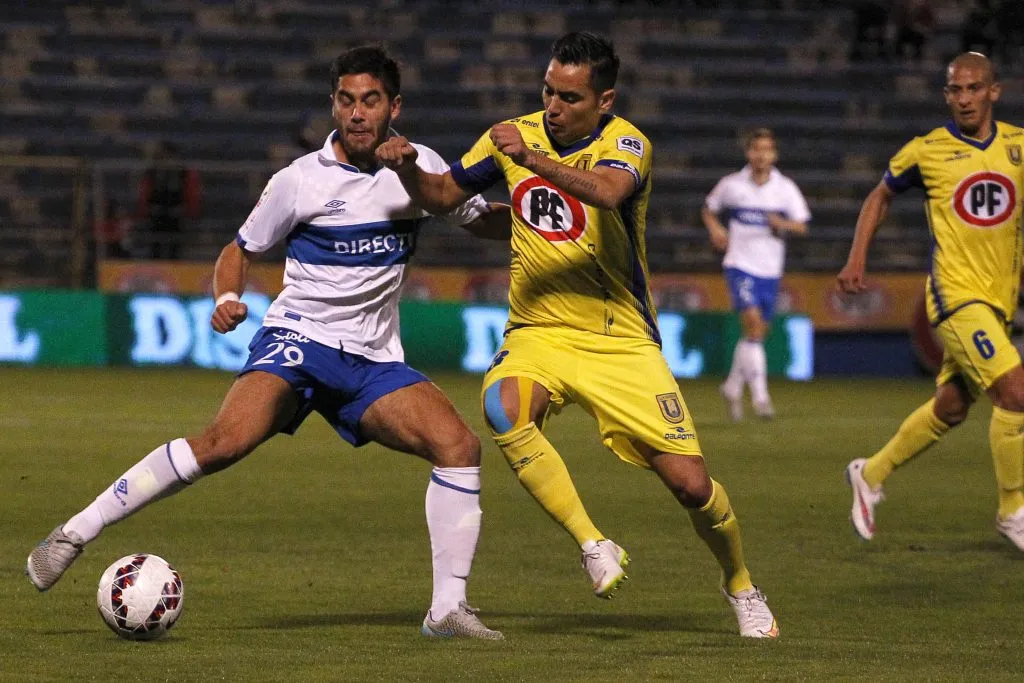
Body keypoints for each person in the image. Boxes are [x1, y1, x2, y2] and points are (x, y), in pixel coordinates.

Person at [26, 45, 511, 640]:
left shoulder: (421, 165)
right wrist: (227, 297)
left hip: (373, 359)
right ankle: (75, 532)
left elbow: (478, 217)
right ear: (334, 105)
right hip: (299, 339)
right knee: (223, 444)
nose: (357, 113)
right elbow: (239, 250)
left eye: (371, 100)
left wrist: (550, 219)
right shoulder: (299, 180)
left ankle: (446, 612)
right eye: (346, 100)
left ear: (394, 106)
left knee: (459, 447)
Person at [378, 31, 779, 638]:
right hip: (539, 330)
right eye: (547, 91)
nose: (553, 106)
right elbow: (440, 196)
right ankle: (594, 544)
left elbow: (609, 192)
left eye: (568, 96)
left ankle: (743, 585)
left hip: (619, 338)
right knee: (502, 408)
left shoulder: (627, 145)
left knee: (691, 486)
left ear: (605, 100)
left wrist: (531, 160)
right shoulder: (510, 134)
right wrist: (409, 168)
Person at [838, 52, 1024, 552]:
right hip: (955, 296)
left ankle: (869, 473)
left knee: (953, 406)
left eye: (973, 88)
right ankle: (1014, 511)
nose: (964, 98)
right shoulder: (927, 150)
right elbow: (880, 195)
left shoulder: (1018, 147)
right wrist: (857, 257)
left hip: (998, 300)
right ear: (946, 95)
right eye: (955, 90)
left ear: (994, 92)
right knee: (1015, 392)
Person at [701, 128, 810, 421]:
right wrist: (716, 228)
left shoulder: (784, 188)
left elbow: (802, 225)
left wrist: (782, 224)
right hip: (739, 264)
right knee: (751, 324)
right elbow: (709, 209)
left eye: (767, 150)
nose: (761, 155)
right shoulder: (732, 185)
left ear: (774, 154)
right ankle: (761, 399)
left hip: (770, 269)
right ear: (748, 152)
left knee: (758, 331)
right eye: (756, 149)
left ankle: (733, 387)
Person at [137, 140, 201, 260]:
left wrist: (189, 212)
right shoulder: (152, 172)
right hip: (156, 216)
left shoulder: (184, 172)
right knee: (155, 248)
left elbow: (191, 193)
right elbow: (145, 193)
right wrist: (145, 212)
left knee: (174, 249)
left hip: (177, 216)